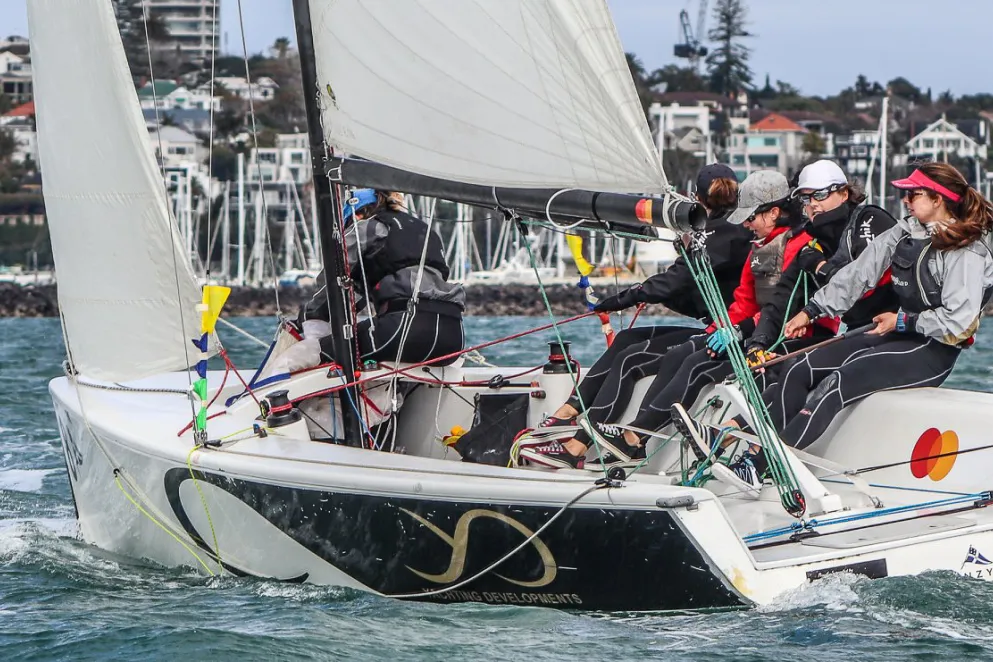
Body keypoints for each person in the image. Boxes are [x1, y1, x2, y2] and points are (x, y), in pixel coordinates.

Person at [682, 163, 993, 490]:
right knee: (799, 369)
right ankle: (730, 436)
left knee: (838, 381)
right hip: (897, 331)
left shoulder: (967, 250)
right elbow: (857, 275)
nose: (905, 200)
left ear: (939, 199)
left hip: (932, 348)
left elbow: (958, 322)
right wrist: (812, 310)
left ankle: (761, 465)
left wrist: (902, 320)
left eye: (913, 194)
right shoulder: (906, 231)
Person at [520, 171, 807, 469]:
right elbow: (740, 299)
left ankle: (611, 441)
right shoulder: (753, 243)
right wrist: (719, 329)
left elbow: (781, 305)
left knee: (645, 359)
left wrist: (737, 330)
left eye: (751, 219)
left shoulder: (777, 243)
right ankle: (595, 427)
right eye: (744, 218)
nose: (747, 225)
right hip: (738, 330)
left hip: (770, 337)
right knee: (634, 345)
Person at [299, 188, 465, 365]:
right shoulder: (425, 230)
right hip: (453, 336)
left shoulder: (367, 227)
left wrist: (308, 316)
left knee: (314, 352)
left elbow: (331, 282)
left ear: (357, 215)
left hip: (404, 331)